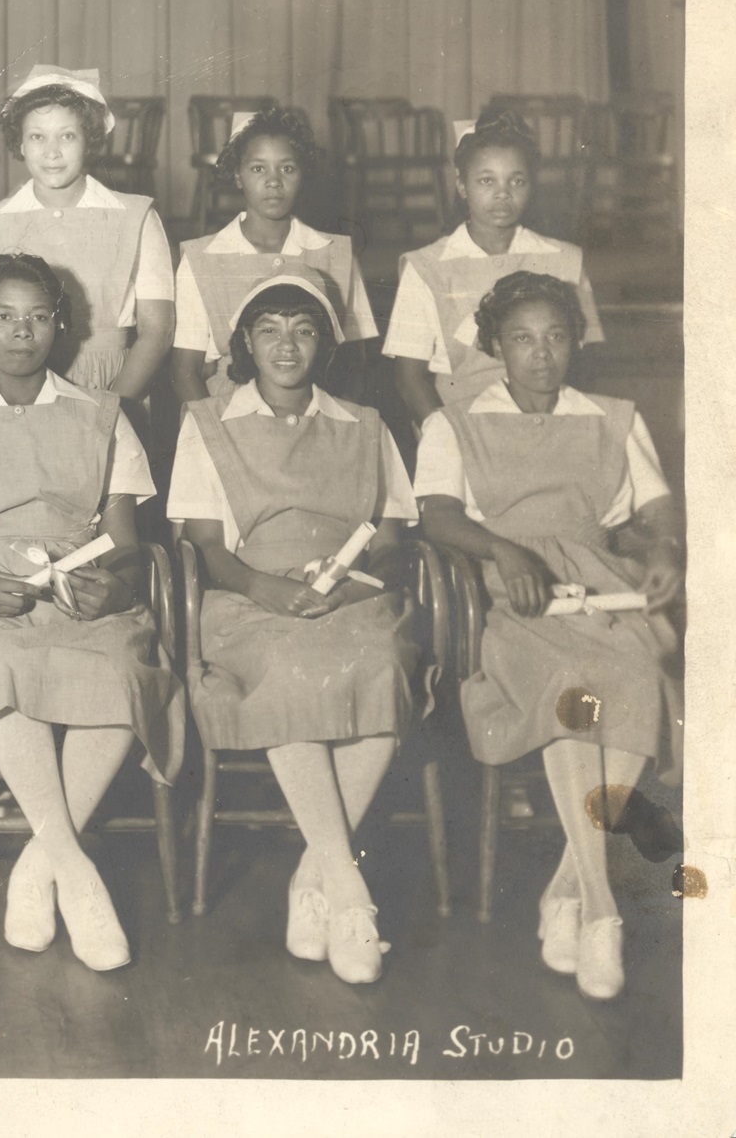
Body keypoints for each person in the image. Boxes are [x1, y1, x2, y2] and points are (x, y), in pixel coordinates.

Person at [416, 270, 683, 1002]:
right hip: (515, 601)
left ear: (575, 343)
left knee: (633, 672)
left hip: (605, 588)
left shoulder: (613, 418)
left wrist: (662, 553)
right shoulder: (455, 420)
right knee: (572, 689)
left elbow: (657, 511)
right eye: (523, 339)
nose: (541, 355)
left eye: (556, 337)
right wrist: (502, 550)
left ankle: (571, 892)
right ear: (495, 345)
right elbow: (437, 514)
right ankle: (601, 912)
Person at [0, 254, 182, 970]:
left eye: (37, 316)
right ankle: (78, 874)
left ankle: (40, 867)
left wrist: (117, 589)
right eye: (3, 316)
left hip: (80, 581)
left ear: (59, 326)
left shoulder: (103, 414)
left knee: (121, 663)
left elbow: (126, 547)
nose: (21, 331)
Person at [167, 277, 423, 985]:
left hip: (349, 595)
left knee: (384, 664)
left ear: (326, 344)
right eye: (270, 329)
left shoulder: (364, 422)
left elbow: (395, 532)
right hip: (250, 600)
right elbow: (207, 546)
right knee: (287, 671)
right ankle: (350, 894)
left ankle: (316, 880)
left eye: (304, 329)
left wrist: (350, 581)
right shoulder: (208, 422)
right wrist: (268, 589)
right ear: (244, 343)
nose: (287, 345)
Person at [0, 65, 174, 400]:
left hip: (115, 386)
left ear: (89, 140)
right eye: (37, 136)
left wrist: (112, 411)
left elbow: (157, 332)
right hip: (14, 392)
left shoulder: (138, 217)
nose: (52, 152)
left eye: (67, 135)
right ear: (19, 142)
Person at [387, 109, 602, 421]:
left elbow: (587, 364)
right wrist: (447, 441)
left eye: (516, 181)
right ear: (462, 186)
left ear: (532, 184)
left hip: (551, 425)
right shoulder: (426, 267)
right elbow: (409, 380)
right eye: (486, 180)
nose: (502, 194)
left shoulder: (566, 260)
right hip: (464, 427)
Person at [170, 106, 376, 402]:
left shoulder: (337, 255)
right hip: (228, 419)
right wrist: (214, 437)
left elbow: (356, 366)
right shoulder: (201, 258)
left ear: (303, 175)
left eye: (287, 168)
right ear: (238, 176)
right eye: (258, 168)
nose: (273, 181)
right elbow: (185, 371)